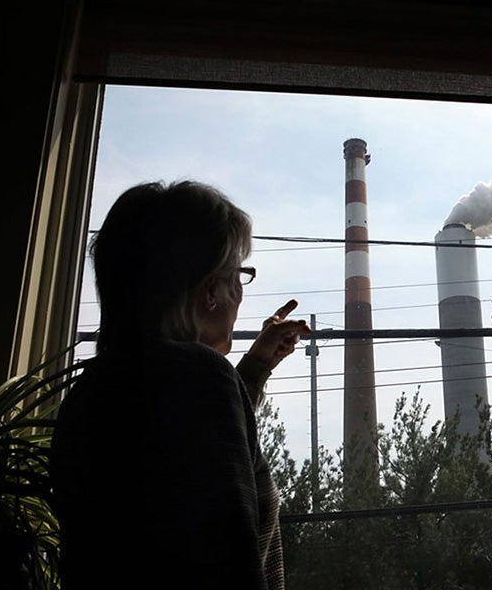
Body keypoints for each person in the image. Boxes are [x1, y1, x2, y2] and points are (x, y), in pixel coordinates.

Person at [50, 180, 310, 589]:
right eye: (239, 275)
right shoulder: (200, 379)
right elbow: (223, 563)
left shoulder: (92, 391)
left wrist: (257, 365)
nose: (241, 293)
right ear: (210, 291)